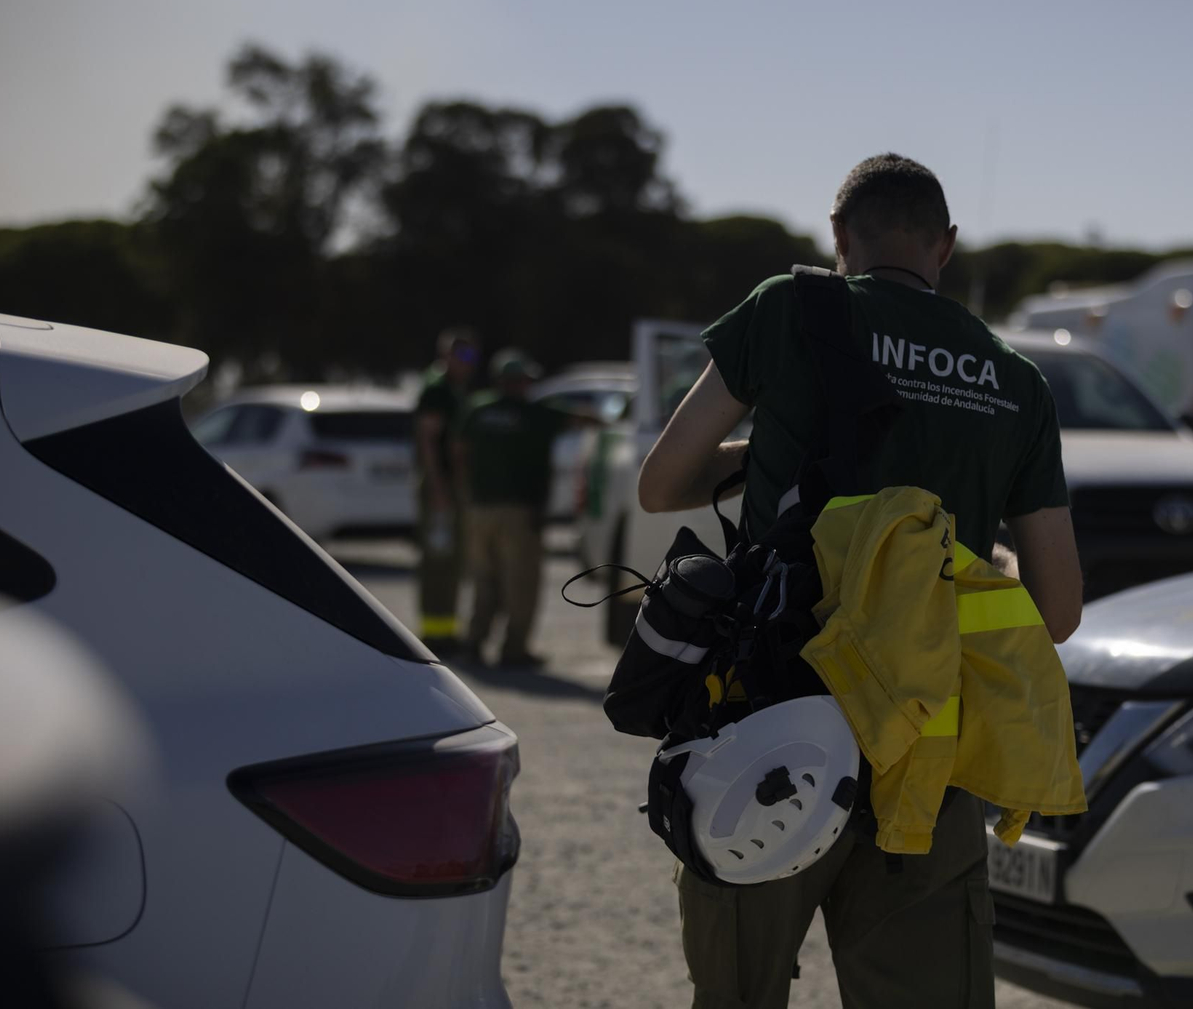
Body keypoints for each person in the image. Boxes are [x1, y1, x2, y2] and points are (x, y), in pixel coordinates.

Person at [637, 153, 1083, 1008]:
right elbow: (1056, 611)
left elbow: (662, 484)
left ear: (839, 236)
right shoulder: (1017, 383)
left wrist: (774, 456)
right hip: (924, 754)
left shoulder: (789, 309)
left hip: (767, 729)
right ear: (945, 245)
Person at [454, 348, 595, 670]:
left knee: (484, 578)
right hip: (519, 512)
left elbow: (459, 451)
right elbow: (584, 418)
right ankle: (513, 649)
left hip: (479, 509)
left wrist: (467, 495)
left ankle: (474, 643)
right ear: (517, 382)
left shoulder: (477, 410)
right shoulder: (536, 414)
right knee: (521, 583)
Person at [413, 327, 479, 653]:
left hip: (452, 485)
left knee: (452, 561)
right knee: (438, 560)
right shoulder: (437, 389)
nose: (468, 363)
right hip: (440, 485)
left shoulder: (456, 389)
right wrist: (438, 488)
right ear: (446, 355)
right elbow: (427, 441)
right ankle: (434, 634)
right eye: (462, 355)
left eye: (471, 356)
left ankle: (447, 631)